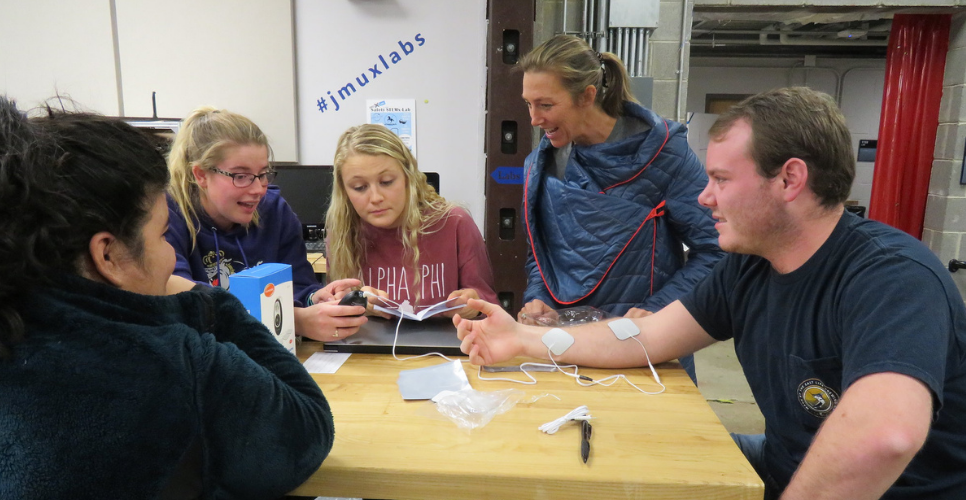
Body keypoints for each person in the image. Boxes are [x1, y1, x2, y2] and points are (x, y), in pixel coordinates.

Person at [455, 87, 966, 499]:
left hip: (895, 491)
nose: (704, 197)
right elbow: (648, 335)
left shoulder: (891, 277)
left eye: (721, 179)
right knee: (625, 466)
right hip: (782, 463)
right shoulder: (749, 268)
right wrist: (522, 340)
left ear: (790, 179)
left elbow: (885, 437)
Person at [0, 97, 334, 498]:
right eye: (161, 235)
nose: (168, 259)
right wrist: (213, 303)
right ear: (106, 254)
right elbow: (308, 426)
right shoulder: (182, 365)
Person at [516, 35, 723, 381]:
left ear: (587, 96)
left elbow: (717, 251)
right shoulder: (540, 164)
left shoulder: (664, 155)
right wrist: (539, 298)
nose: (534, 119)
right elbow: (541, 253)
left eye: (546, 105)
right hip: (565, 347)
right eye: (528, 104)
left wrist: (657, 312)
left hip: (643, 349)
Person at [166, 106, 365, 341]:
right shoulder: (168, 216)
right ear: (200, 175)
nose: (258, 189)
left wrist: (318, 298)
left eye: (262, 174)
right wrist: (296, 320)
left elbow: (299, 285)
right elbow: (177, 297)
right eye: (240, 176)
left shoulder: (274, 210)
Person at [326, 123, 497, 319]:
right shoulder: (342, 234)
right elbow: (333, 310)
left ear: (409, 177)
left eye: (387, 182)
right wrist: (352, 301)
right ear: (345, 192)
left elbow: (490, 306)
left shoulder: (455, 223)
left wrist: (473, 304)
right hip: (369, 347)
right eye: (359, 187)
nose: (375, 197)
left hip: (444, 346)